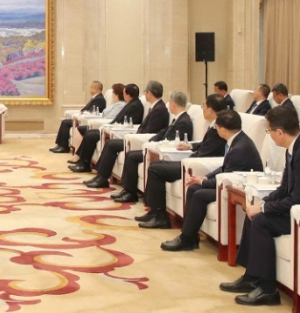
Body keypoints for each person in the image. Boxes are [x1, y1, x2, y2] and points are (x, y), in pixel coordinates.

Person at [223, 105, 300, 306]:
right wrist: (262, 203)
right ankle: (252, 277)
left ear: (280, 132)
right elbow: (284, 189)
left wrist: (263, 209)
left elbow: (297, 199)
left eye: (269, 130)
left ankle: (268, 290)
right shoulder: (296, 147)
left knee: (261, 220)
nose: (268, 134)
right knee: (253, 213)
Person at [160, 110, 263, 251]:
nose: (216, 129)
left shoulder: (240, 147)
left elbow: (227, 176)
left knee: (199, 194)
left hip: (239, 188)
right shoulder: (237, 140)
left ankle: (186, 238)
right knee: (193, 189)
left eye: (217, 127)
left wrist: (204, 183)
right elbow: (224, 167)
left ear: (223, 130)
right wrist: (205, 177)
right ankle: (190, 237)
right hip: (229, 182)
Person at [127, 94, 227, 225]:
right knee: (156, 164)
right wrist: (190, 145)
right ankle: (154, 211)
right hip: (192, 160)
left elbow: (207, 152)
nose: (202, 109)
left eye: (204, 106)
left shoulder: (219, 128)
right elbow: (205, 145)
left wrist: (189, 159)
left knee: (155, 169)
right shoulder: (214, 125)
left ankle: (160, 216)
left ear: (210, 109)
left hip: (197, 165)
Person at [85, 88, 189, 194]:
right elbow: (162, 132)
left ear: (173, 104)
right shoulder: (174, 117)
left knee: (126, 153)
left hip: (158, 147)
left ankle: (126, 189)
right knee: (114, 146)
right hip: (148, 141)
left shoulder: (174, 116)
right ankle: (104, 177)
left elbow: (166, 137)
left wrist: (151, 141)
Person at [76, 81, 169, 178]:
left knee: (111, 144)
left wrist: (133, 135)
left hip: (141, 140)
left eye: (146, 92)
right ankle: (100, 175)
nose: (145, 94)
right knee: (108, 142)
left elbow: (150, 131)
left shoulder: (158, 109)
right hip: (135, 136)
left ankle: (102, 176)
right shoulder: (154, 107)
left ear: (150, 93)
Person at [69, 84, 143, 172]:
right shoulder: (131, 103)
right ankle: (82, 162)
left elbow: (128, 123)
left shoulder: (135, 105)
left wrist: (110, 127)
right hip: (113, 128)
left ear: (127, 94)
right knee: (89, 133)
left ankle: (85, 164)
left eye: (124, 94)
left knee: (90, 135)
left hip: (119, 132)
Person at [50, 81, 108, 153]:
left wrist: (82, 113)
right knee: (65, 122)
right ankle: (60, 145)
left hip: (86, 120)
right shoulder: (95, 98)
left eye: (91, 87)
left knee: (66, 123)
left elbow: (92, 111)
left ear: (95, 89)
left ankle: (64, 146)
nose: (90, 89)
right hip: (83, 118)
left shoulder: (99, 99)